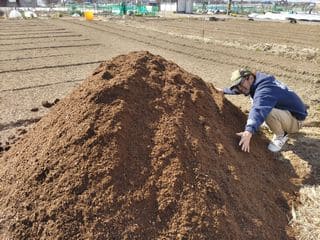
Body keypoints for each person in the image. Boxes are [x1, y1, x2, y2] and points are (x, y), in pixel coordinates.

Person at [219, 69, 307, 153]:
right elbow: (242, 89)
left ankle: (281, 135)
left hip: (296, 120)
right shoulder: (258, 80)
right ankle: (275, 123)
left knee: (265, 110)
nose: (240, 88)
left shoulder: (264, 90)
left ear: (249, 78)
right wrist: (224, 91)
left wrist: (248, 131)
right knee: (257, 101)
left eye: (241, 83)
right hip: (287, 113)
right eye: (237, 86)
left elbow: (258, 109)